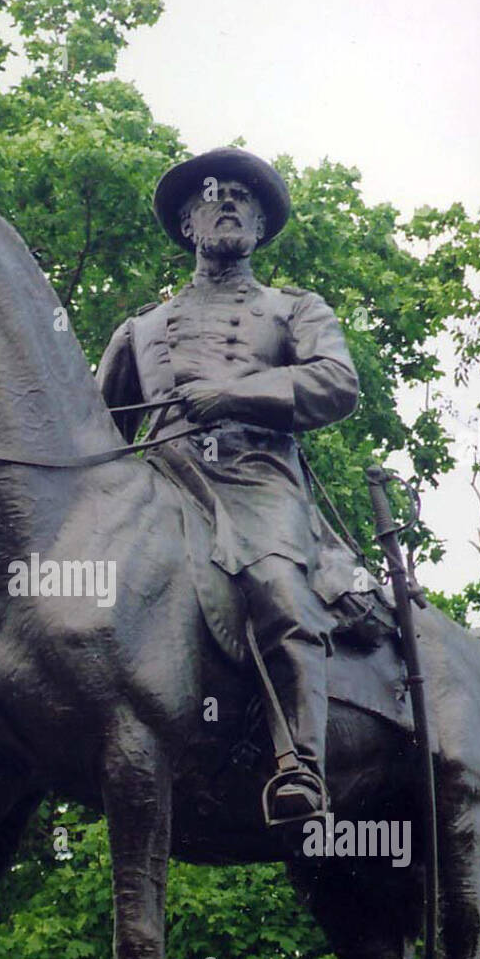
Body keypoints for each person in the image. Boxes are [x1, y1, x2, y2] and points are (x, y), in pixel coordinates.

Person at [97, 148, 360, 821]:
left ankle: (297, 761)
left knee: (278, 590)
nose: (230, 203)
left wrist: (236, 395)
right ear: (188, 223)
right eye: (214, 195)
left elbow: (335, 384)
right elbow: (95, 436)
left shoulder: (291, 310)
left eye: (244, 197)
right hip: (158, 486)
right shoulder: (138, 331)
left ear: (259, 224)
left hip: (254, 480)